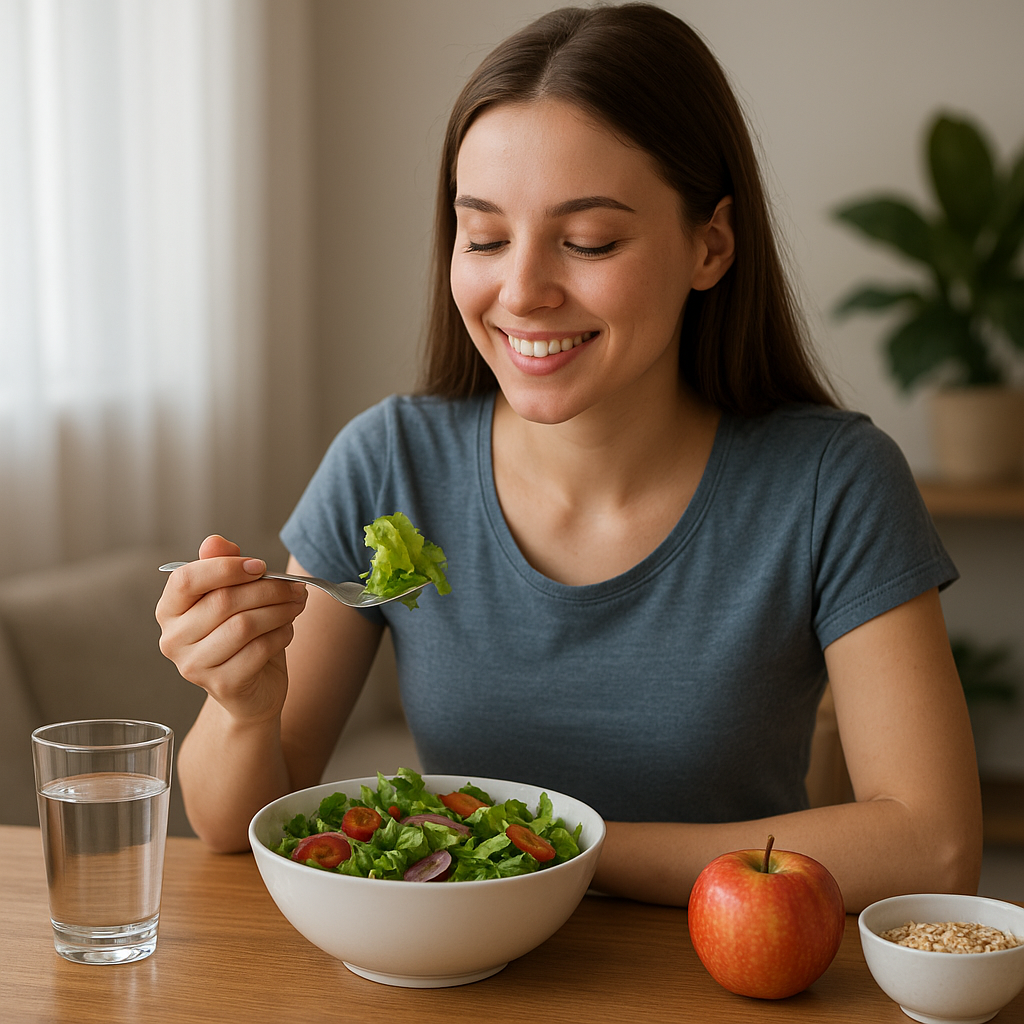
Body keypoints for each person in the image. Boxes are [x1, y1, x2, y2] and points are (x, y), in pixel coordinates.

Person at [156, 3, 982, 910]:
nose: (521, 291)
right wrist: (244, 707)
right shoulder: (390, 461)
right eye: (484, 237)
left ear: (710, 244)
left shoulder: (833, 483)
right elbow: (232, 825)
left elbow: (930, 847)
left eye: (589, 241)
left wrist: (544, 848)